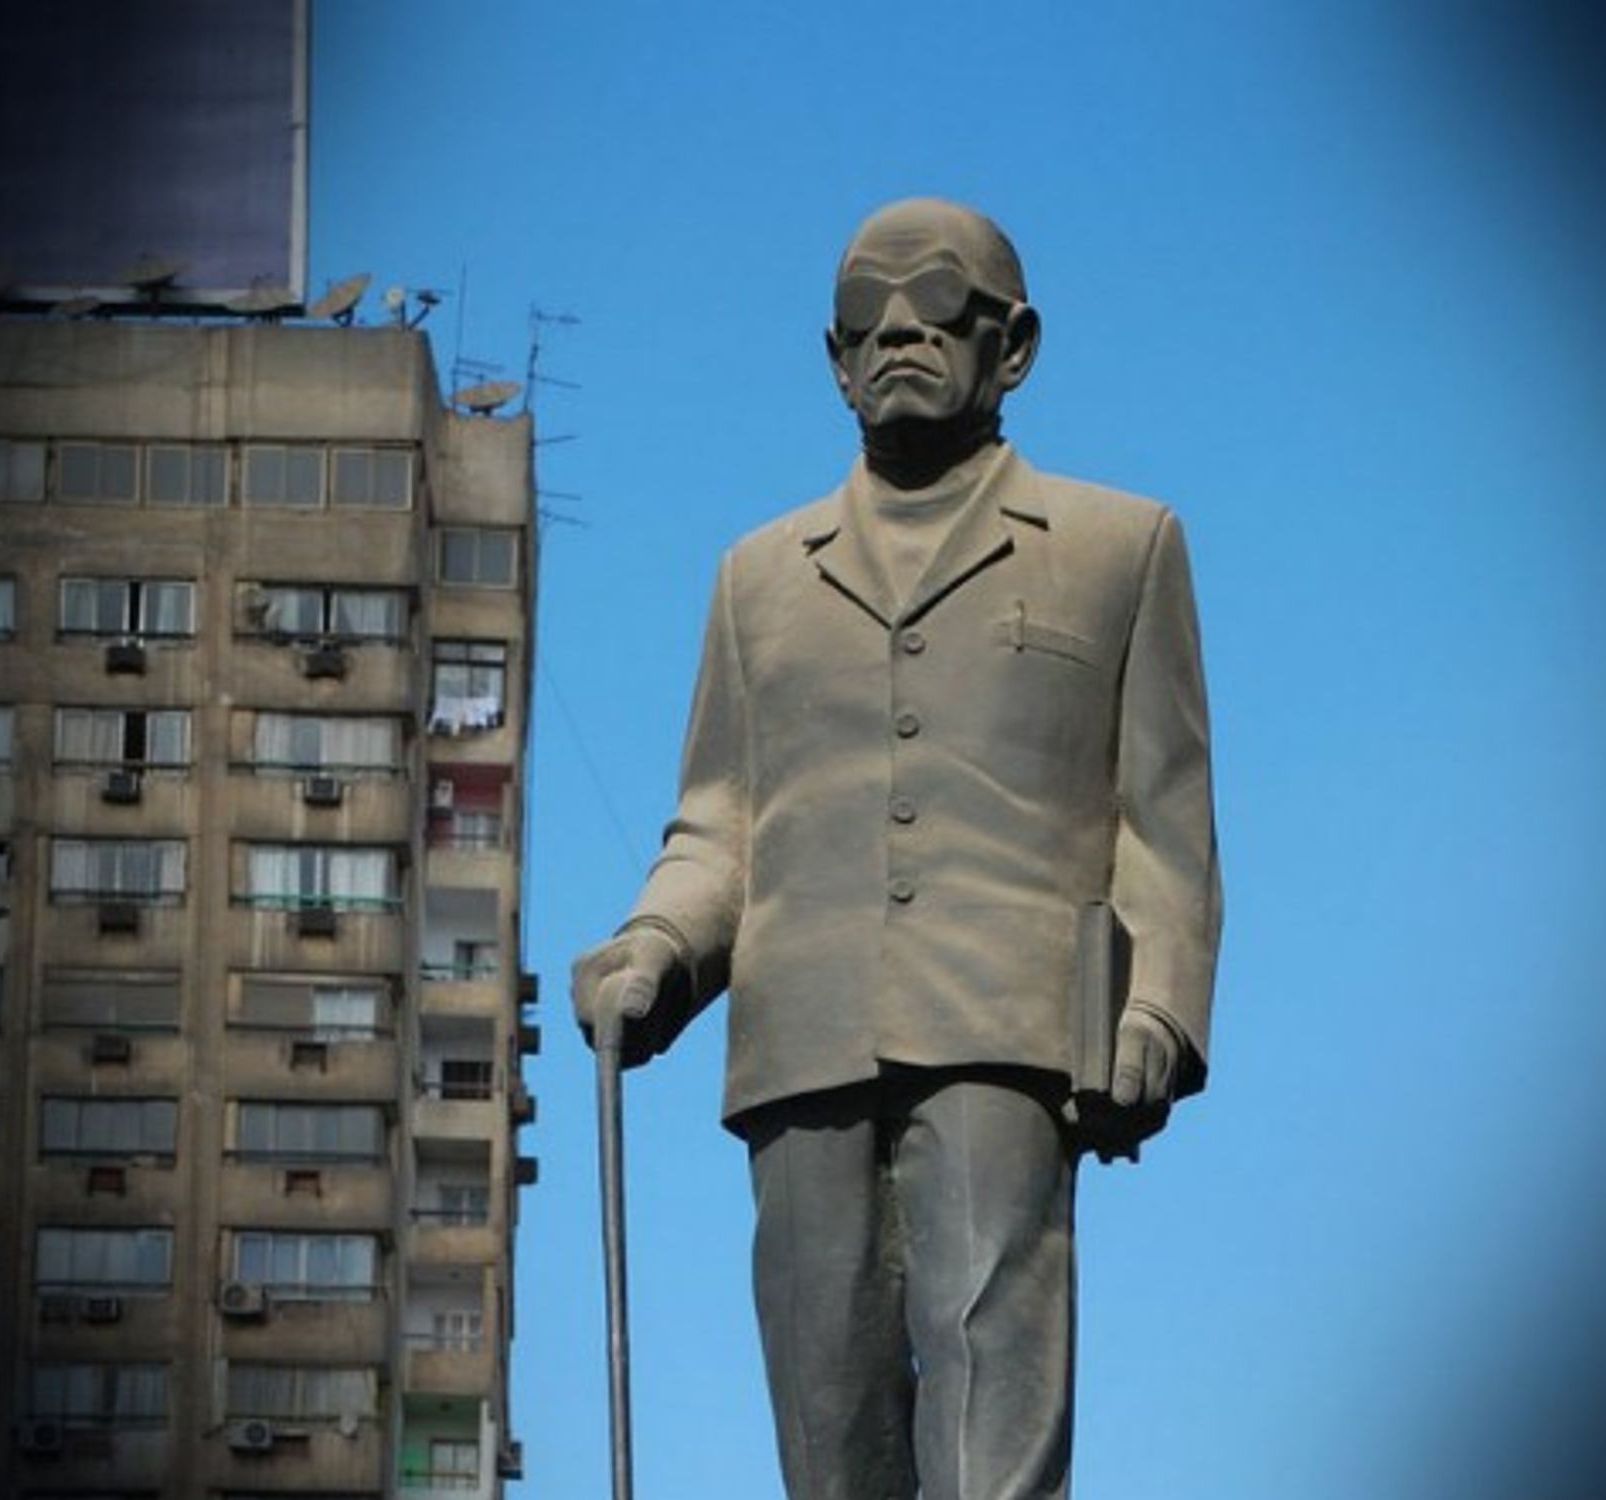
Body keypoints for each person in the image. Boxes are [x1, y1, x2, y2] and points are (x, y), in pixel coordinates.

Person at [571, 196, 1221, 1500]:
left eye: (939, 307)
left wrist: (1155, 1009)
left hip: (1007, 1032)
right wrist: (656, 946)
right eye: (868, 316)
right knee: (829, 1434)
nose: (901, 334)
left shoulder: (1121, 548)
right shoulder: (757, 576)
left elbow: (1164, 822)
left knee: (988, 1404)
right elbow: (719, 822)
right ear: (835, 357)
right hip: (800, 1044)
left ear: (1012, 344)